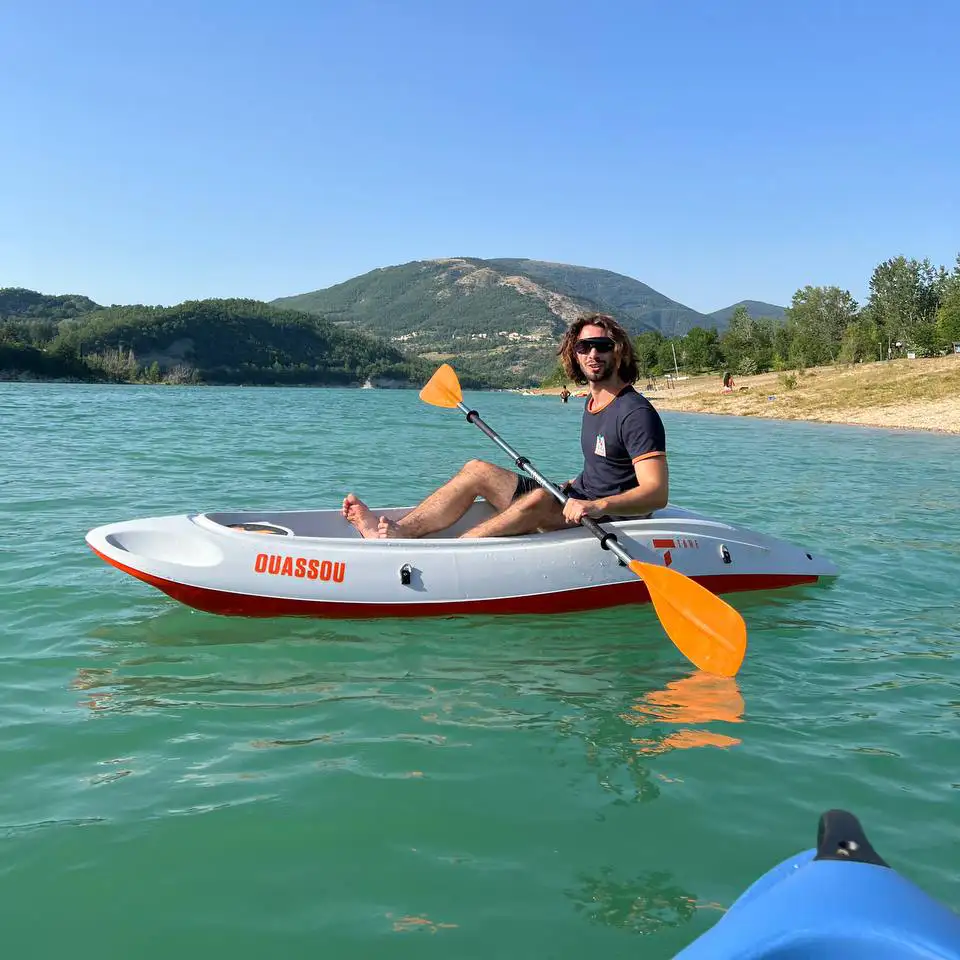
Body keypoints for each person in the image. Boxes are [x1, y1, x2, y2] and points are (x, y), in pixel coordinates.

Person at [342, 313, 669, 539]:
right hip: (575, 499)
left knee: (539, 500)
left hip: (609, 517)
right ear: (575, 354)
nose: (593, 353)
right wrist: (574, 486)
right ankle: (400, 532)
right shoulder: (592, 402)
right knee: (476, 469)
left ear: (618, 352)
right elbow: (604, 470)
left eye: (602, 346)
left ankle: (455, 553)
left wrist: (595, 505)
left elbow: (656, 494)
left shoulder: (635, 412)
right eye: (584, 347)